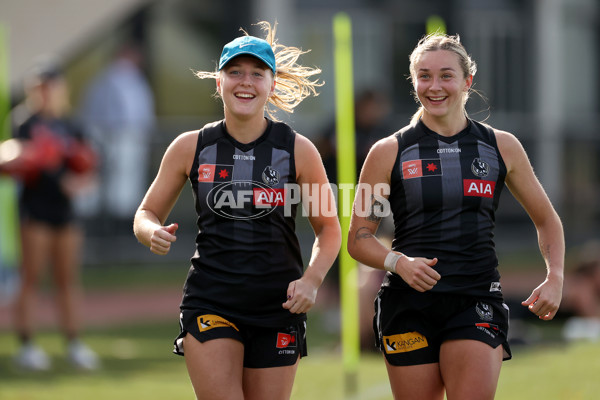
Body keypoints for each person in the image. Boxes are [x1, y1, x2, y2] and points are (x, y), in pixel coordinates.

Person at [347, 34, 564, 399]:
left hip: (474, 298)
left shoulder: (501, 145)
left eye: (446, 76)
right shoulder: (387, 152)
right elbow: (358, 238)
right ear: (414, 81)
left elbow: (547, 220)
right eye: (424, 76)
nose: (434, 86)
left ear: (467, 82)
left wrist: (555, 276)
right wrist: (397, 263)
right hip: (408, 304)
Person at [133, 21, 341, 399]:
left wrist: (312, 280)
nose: (245, 81)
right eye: (234, 72)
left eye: (256, 74)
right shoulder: (189, 146)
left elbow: (329, 228)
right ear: (219, 82)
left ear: (271, 84)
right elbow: (145, 213)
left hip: (278, 304)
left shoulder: (298, 149)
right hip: (211, 299)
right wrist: (152, 232)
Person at [10, 63, 100, 371]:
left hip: (66, 212)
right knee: (31, 278)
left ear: (61, 89)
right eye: (40, 87)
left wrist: (81, 183)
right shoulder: (25, 122)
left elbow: (89, 164)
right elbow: (20, 158)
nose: (46, 93)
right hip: (35, 210)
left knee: (68, 280)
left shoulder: (72, 124)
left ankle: (74, 343)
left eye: (50, 86)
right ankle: (27, 345)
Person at [79, 41, 156, 225]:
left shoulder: (115, 77)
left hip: (121, 136)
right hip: (118, 136)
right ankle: (114, 222)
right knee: (117, 182)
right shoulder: (122, 77)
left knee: (118, 182)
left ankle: (113, 221)